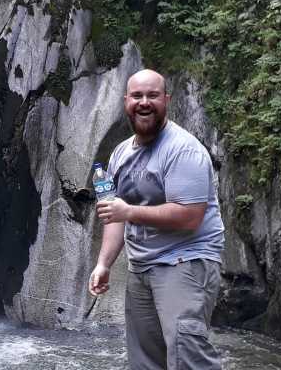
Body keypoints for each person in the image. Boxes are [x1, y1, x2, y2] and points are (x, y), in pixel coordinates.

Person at [89, 69, 225, 370]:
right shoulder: (119, 154)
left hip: (185, 261)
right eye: (137, 96)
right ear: (126, 100)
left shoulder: (183, 149)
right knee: (145, 362)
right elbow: (113, 214)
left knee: (187, 357)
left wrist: (129, 212)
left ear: (167, 100)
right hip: (141, 268)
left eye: (153, 95)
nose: (144, 102)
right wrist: (103, 264)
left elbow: (189, 217)